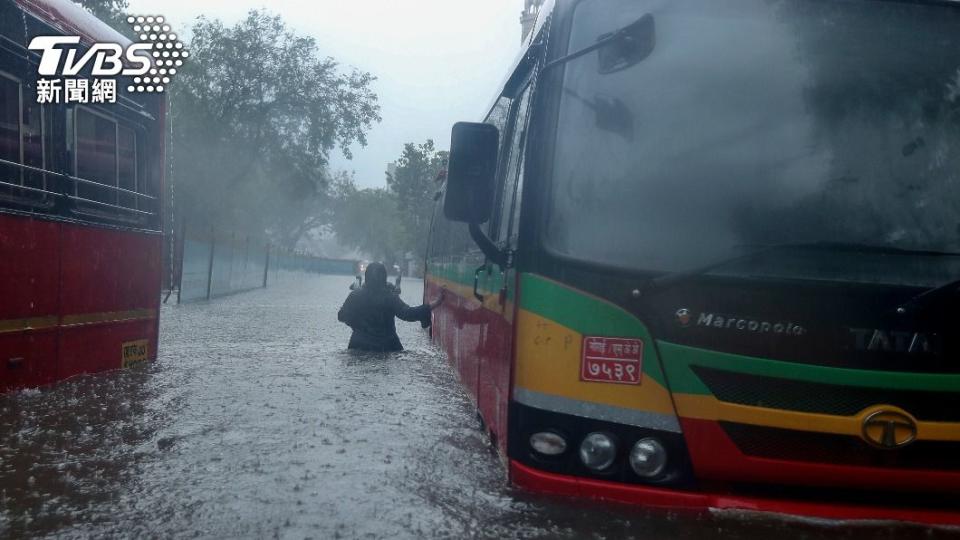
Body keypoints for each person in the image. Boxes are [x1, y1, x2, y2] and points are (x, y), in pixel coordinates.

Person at [337, 262, 444, 352]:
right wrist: (435, 303)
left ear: (366, 277)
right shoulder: (389, 297)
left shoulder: (355, 295)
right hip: (387, 346)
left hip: (359, 344)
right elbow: (407, 314)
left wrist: (357, 326)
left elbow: (341, 316)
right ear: (384, 277)